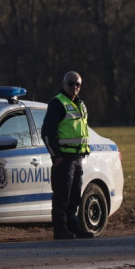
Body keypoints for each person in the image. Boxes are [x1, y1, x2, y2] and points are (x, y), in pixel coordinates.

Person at [41, 70, 95, 240]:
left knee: (75, 196)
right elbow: (47, 132)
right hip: (63, 159)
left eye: (77, 84)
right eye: (70, 83)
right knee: (62, 196)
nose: (74, 87)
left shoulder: (80, 104)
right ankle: (60, 230)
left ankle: (74, 226)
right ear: (63, 85)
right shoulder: (58, 103)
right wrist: (56, 156)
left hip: (77, 158)